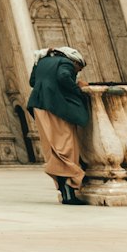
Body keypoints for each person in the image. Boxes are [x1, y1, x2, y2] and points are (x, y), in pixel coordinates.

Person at [26, 46, 91, 203]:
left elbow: (33, 81)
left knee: (55, 148)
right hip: (56, 107)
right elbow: (63, 77)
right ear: (75, 60)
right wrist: (78, 91)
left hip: (39, 106)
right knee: (66, 146)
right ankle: (71, 189)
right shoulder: (65, 63)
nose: (77, 72)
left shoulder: (41, 62)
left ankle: (65, 193)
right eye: (78, 68)